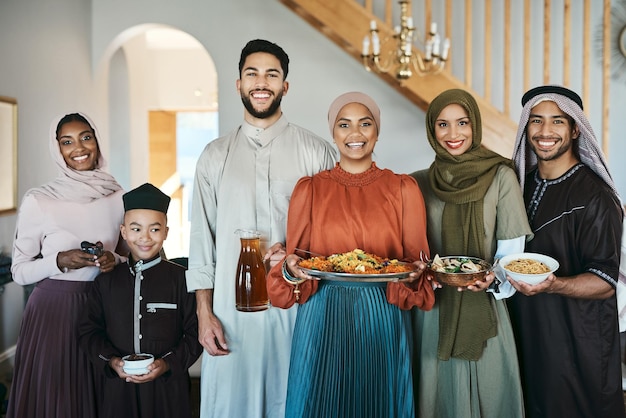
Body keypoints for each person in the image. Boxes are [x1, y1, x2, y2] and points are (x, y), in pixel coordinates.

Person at [185, 39, 336, 418]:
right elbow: (202, 240)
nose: (261, 82)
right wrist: (204, 314)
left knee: (295, 396)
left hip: (299, 305)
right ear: (238, 83)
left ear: (285, 85)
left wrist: (298, 251)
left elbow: (336, 233)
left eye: (272, 74)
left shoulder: (316, 152)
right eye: (252, 73)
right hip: (229, 311)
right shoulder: (213, 155)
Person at [267, 91, 435, 418]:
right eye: (344, 125)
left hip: (381, 316)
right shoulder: (310, 190)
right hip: (321, 315)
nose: (355, 134)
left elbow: (417, 274)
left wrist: (415, 275)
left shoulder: (403, 189)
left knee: (377, 403)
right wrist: (290, 270)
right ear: (333, 132)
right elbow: (290, 278)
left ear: (377, 131)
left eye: (365, 123)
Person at [410, 89, 532, 418]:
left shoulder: (501, 176)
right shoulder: (416, 184)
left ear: (474, 126)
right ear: (431, 130)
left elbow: (511, 257)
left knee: (490, 397)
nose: (454, 134)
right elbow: (407, 248)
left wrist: (494, 279)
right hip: (435, 313)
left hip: (486, 311)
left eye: (462, 123)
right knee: (438, 400)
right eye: (443, 125)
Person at [507, 85, 625, 417]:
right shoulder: (519, 185)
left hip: (578, 344)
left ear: (575, 129)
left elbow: (604, 280)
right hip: (529, 335)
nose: (545, 131)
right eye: (536, 121)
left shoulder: (596, 197)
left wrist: (555, 284)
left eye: (557, 121)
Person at [8, 113, 126, 418]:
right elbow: (19, 272)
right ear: (57, 149)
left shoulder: (118, 195)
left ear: (97, 140)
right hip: (53, 313)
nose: (79, 147)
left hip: (104, 307)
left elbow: (134, 258)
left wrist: (117, 260)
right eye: (67, 141)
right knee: (59, 397)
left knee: (102, 394)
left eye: (86, 136)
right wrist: (59, 261)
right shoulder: (40, 200)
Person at [78, 182, 202, 418]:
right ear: (124, 232)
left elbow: (195, 333)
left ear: (166, 232)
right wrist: (112, 362)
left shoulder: (181, 279)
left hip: (169, 388)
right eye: (136, 229)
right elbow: (88, 331)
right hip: (117, 389)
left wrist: (166, 364)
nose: (145, 237)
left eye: (154, 229)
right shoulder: (105, 282)